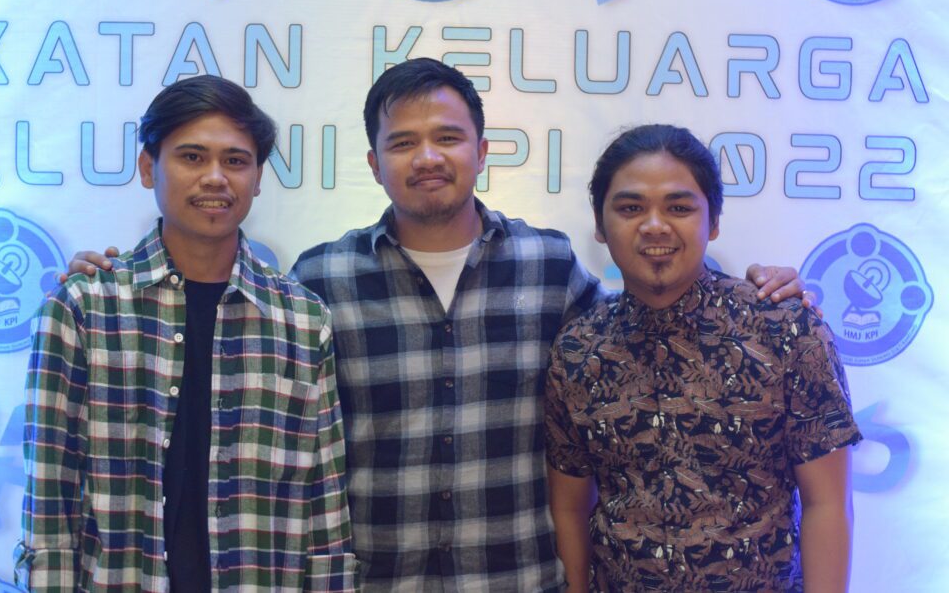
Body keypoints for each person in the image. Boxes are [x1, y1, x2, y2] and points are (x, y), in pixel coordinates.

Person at [63, 60, 810, 591]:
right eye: (402, 142)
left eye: (448, 138)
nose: (427, 157)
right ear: (374, 162)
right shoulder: (320, 282)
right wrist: (117, 272)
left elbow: (648, 320)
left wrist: (758, 290)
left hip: (520, 577)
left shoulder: (550, 268)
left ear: (482, 151)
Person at [16, 76, 357, 591]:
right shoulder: (85, 308)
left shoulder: (303, 320)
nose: (215, 178)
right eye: (192, 157)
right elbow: (49, 489)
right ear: (148, 167)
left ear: (258, 178)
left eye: (235, 161)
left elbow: (324, 497)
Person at [545, 124, 860, 592]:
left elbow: (827, 504)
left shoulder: (786, 330)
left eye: (679, 207)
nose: (655, 225)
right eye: (631, 208)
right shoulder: (578, 350)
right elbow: (570, 506)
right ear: (599, 224)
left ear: (712, 222)